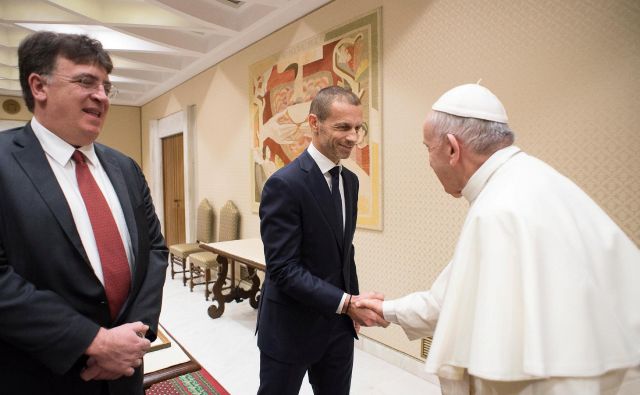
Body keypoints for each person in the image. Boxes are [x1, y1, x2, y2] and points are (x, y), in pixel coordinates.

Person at [357, 83, 640, 394]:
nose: (429, 161)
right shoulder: (535, 179)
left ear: (452, 149)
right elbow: (449, 297)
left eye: (428, 148)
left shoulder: (497, 210)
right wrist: (386, 310)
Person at [0, 31, 168, 394]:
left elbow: (155, 250)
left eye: (106, 86)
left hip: (126, 371)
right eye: (85, 81)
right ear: (38, 86)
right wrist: (91, 341)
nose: (102, 97)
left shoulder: (125, 167)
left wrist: (132, 338)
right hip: (42, 374)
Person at [256, 86, 389, 395]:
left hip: (338, 329)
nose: (353, 137)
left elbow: (345, 251)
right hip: (290, 328)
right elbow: (284, 269)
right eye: (342, 127)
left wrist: (351, 304)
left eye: (358, 128)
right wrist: (348, 303)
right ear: (314, 124)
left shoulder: (351, 182)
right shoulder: (284, 184)